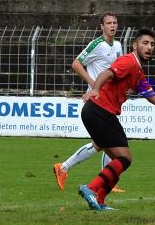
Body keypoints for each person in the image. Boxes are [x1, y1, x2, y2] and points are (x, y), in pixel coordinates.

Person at [77, 28, 155, 211]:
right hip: (100, 110)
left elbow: (154, 97)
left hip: (98, 112)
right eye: (145, 43)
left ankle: (100, 202)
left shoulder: (139, 73)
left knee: (120, 161)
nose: (149, 47)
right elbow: (107, 74)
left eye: (152, 44)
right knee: (124, 159)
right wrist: (95, 89)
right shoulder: (129, 62)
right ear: (135, 45)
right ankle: (91, 188)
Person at [53, 12, 127, 193]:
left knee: (102, 142)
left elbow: (117, 70)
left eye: (115, 22)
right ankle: (105, 178)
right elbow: (76, 63)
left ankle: (63, 168)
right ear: (102, 26)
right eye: (108, 23)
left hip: (109, 100)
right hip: (97, 101)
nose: (112, 26)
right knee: (109, 141)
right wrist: (94, 84)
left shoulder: (117, 45)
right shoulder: (97, 45)